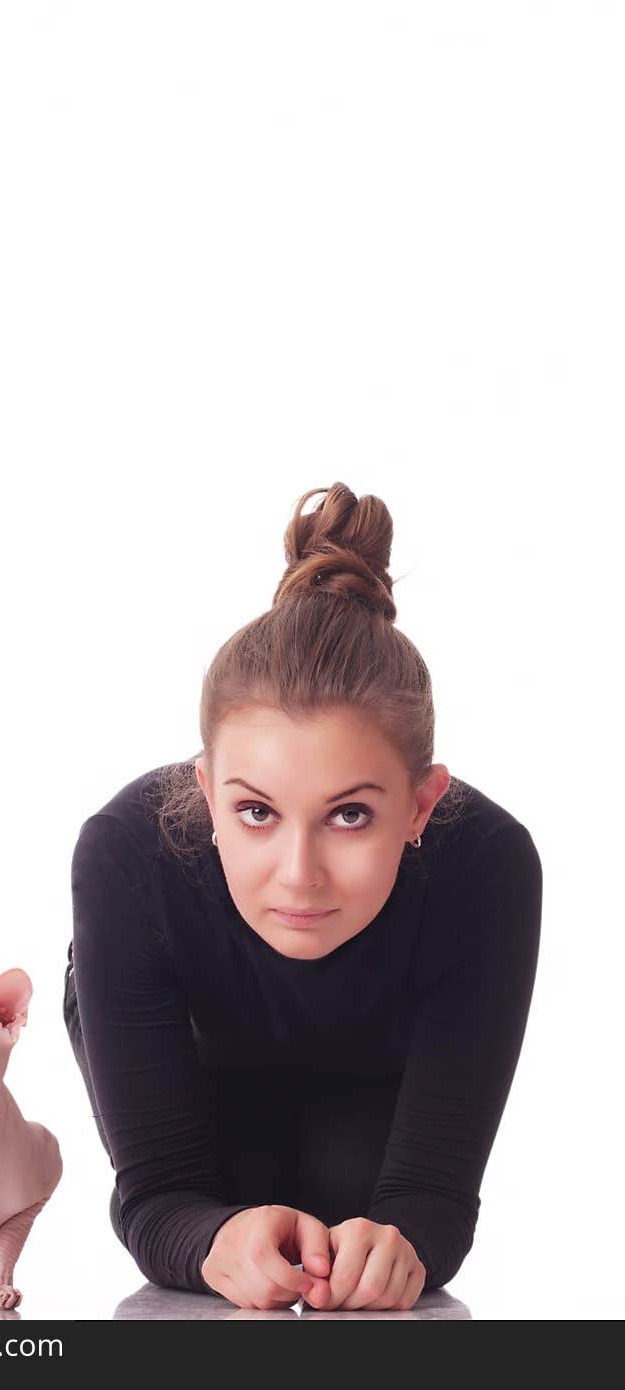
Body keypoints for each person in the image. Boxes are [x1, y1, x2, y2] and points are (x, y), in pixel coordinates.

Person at [63, 483, 542, 1312]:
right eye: (255, 812)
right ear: (207, 793)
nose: (298, 874)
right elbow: (160, 1196)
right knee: (249, 1200)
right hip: (203, 1071)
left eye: (349, 816)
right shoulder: (128, 856)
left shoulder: (487, 866)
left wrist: (404, 1246)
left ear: (422, 805)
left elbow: (431, 1197)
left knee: (345, 1203)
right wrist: (209, 1242)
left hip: (370, 1074)